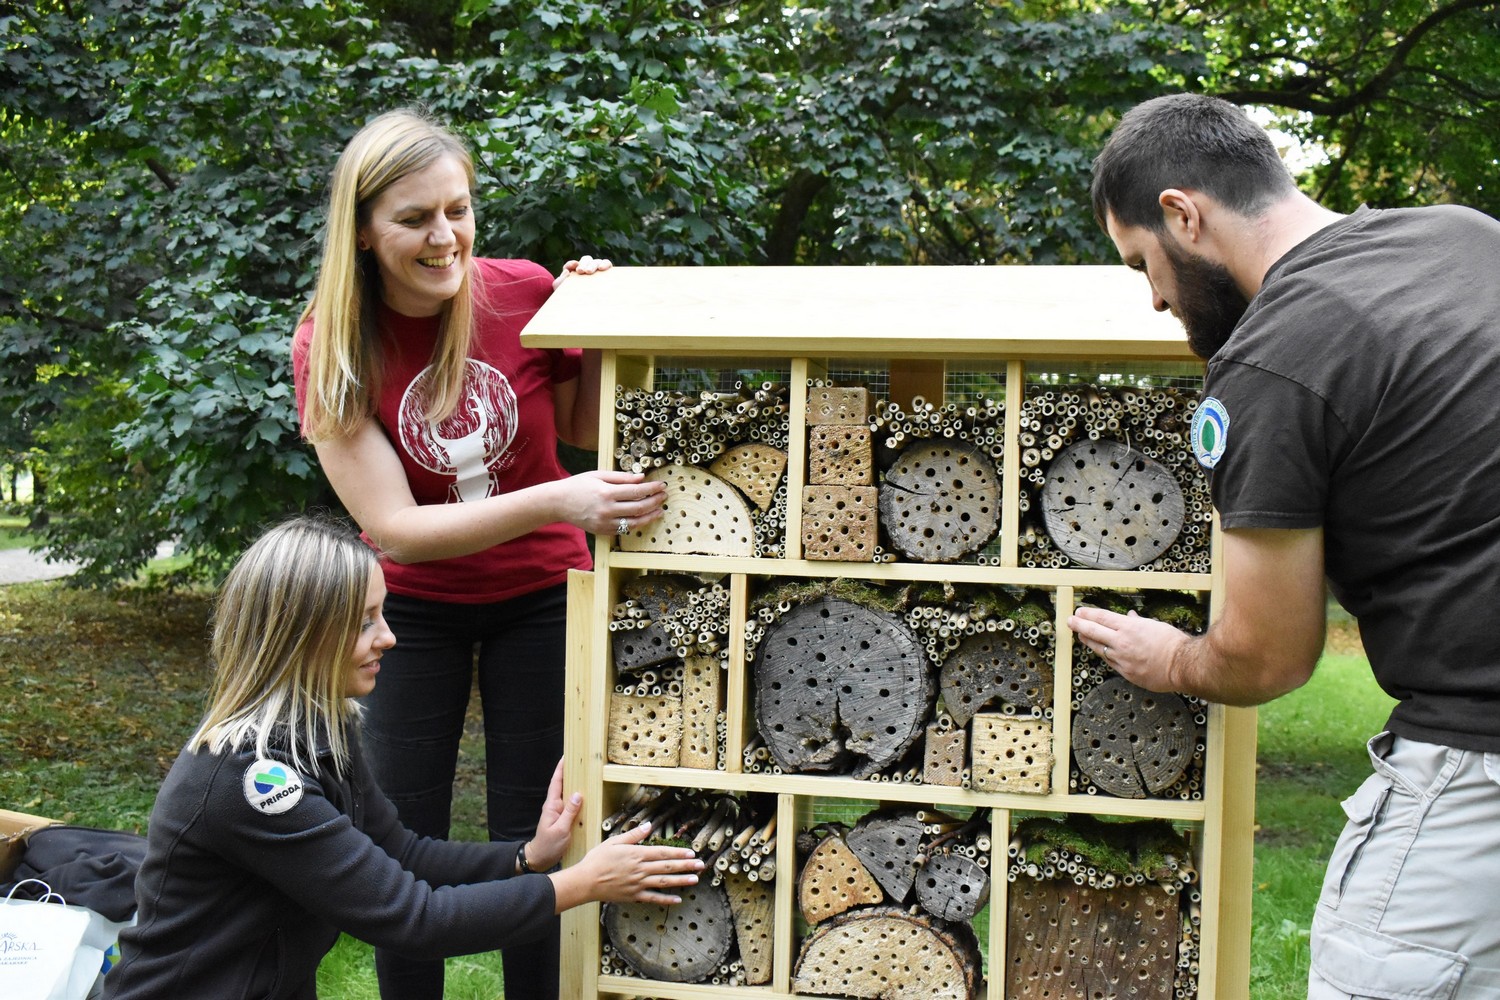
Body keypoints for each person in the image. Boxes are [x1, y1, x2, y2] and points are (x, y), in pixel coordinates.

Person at [1072, 92, 1500, 998]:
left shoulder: (1270, 364)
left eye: (1143, 262)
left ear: (1184, 215)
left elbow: (1269, 656)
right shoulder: (1466, 237)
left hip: (1477, 770)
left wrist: (1173, 658)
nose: (1155, 297)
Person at [291, 108, 666, 998]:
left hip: (544, 597)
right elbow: (395, 528)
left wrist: (600, 321)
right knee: (400, 840)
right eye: (414, 218)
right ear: (363, 232)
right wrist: (561, 499)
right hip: (408, 612)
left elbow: (585, 428)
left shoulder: (523, 290)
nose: (444, 237)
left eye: (456, 210)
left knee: (544, 829)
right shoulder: (330, 342)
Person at [104, 516, 701, 1000]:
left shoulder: (319, 732)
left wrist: (527, 857)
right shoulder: (253, 780)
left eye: (382, 614)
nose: (388, 637)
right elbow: (413, 919)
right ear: (302, 634)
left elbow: (404, 855)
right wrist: (579, 884)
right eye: (365, 622)